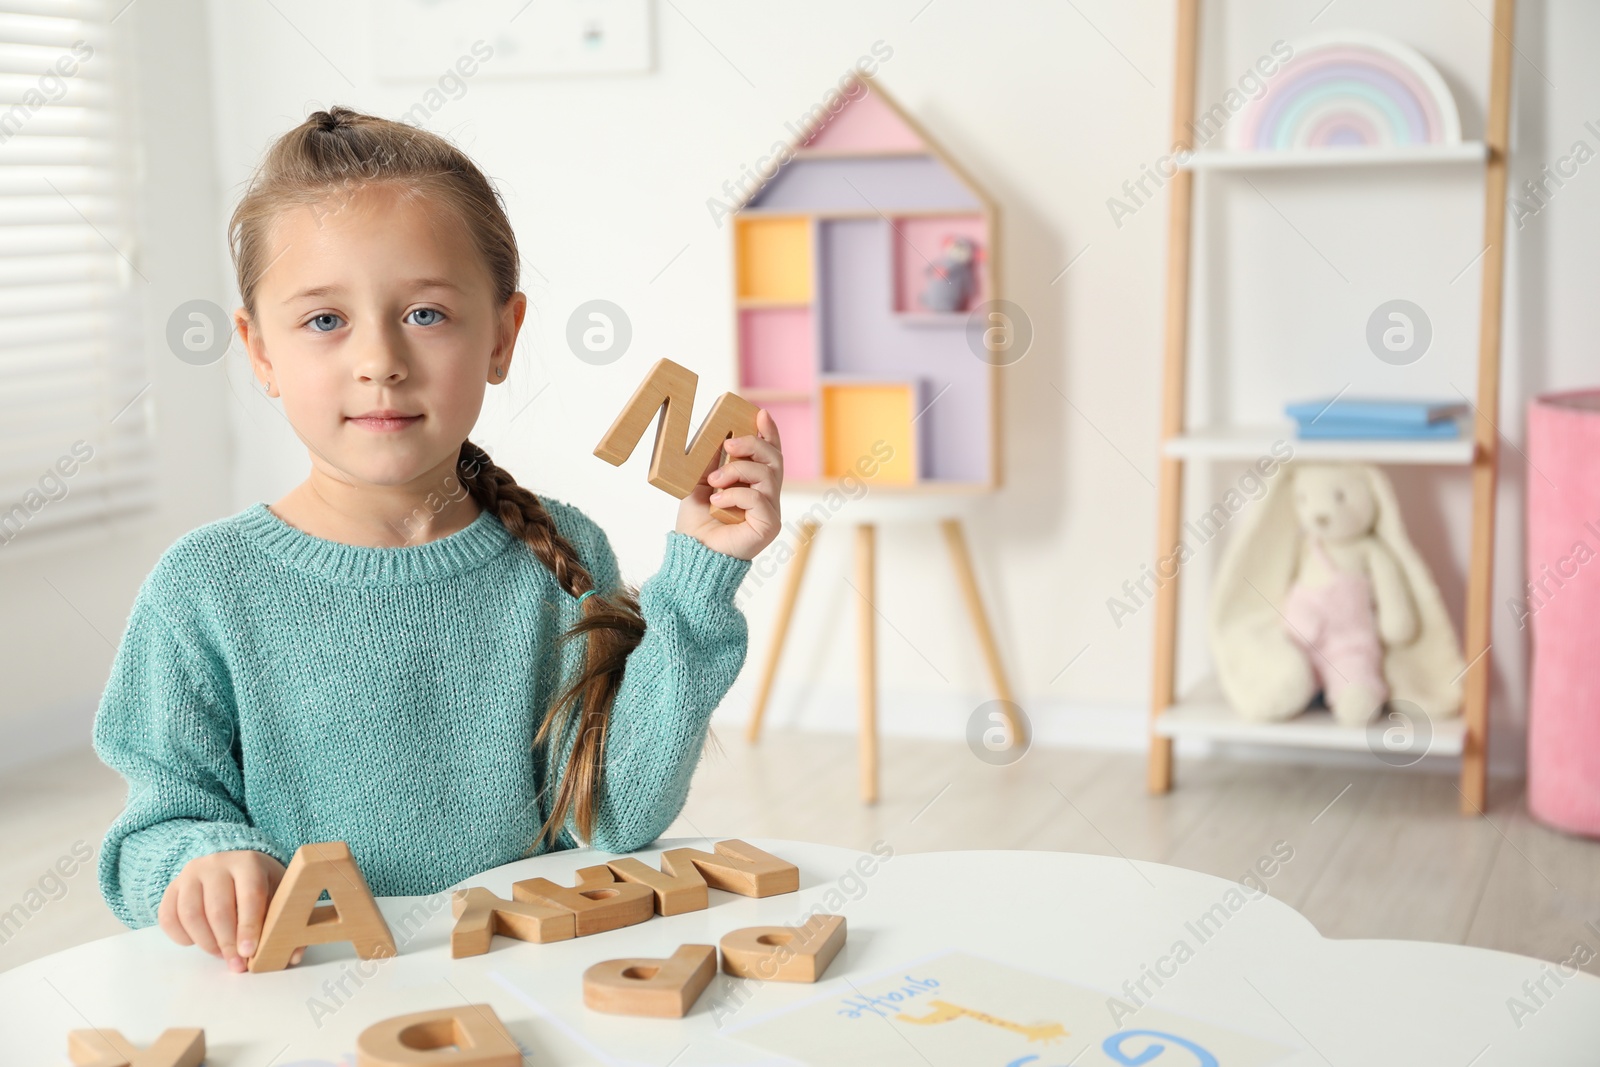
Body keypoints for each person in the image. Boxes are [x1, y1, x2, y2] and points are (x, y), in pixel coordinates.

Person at [92, 106, 783, 973]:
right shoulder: (203, 588)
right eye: (323, 321)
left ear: (501, 335)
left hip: (525, 985)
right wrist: (200, 861)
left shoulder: (562, 557)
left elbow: (613, 818)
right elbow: (154, 828)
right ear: (258, 350)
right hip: (315, 992)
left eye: (425, 313)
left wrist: (702, 576)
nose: (380, 358)